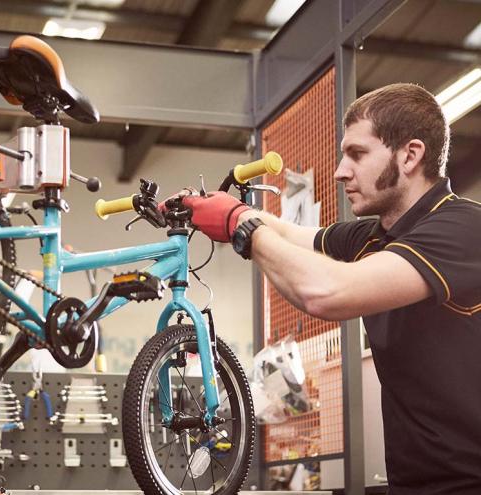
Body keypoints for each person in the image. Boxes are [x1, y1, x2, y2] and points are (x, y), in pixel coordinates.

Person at [175, 83, 481, 495]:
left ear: (410, 155)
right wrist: (217, 209)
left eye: (357, 154)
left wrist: (241, 227)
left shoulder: (464, 229)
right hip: (412, 483)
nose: (340, 171)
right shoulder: (374, 236)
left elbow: (327, 292)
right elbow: (289, 233)